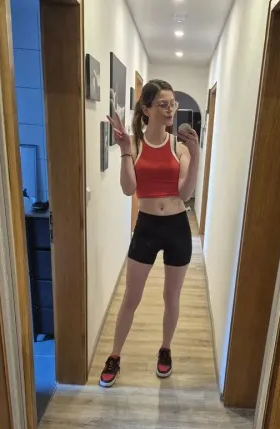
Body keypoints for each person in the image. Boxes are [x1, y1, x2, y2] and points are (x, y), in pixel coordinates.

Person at [100, 79, 200, 387]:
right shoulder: (135, 145)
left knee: (172, 296)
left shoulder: (179, 147)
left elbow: (185, 194)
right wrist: (124, 151)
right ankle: (115, 355)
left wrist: (196, 155)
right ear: (147, 109)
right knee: (132, 296)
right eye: (163, 104)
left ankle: (165, 349)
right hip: (146, 227)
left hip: (177, 227)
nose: (170, 109)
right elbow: (128, 188)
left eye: (172, 104)